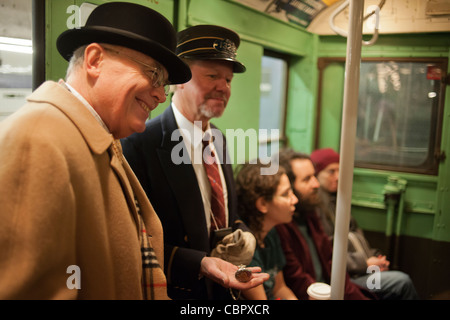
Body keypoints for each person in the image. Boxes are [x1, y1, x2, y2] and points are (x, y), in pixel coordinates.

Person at [0, 2, 192, 299]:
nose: (158, 94)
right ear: (95, 60)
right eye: (154, 74)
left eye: (163, 85)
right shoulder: (38, 139)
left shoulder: (100, 139)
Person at [121, 24, 267, 299]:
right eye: (212, 75)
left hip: (224, 290)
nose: (223, 87)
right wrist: (199, 262)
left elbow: (222, 212)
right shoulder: (140, 143)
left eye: (228, 80)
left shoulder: (219, 139)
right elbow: (133, 239)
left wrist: (241, 232)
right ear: (178, 80)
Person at [310, 147, 420, 299]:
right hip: (347, 278)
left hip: (363, 268)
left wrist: (375, 257)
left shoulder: (338, 201)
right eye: (331, 172)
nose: (337, 177)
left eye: (339, 171)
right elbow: (327, 254)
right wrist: (366, 263)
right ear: (317, 174)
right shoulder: (317, 209)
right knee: (402, 282)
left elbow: (355, 235)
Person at [275, 149, 371, 300]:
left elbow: (332, 264)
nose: (316, 184)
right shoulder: (281, 225)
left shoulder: (311, 214)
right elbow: (298, 281)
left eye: (314, 176)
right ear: (290, 187)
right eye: (307, 179)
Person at [235, 161, 299, 300]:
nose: (295, 199)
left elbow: (280, 288)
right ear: (263, 204)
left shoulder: (271, 233)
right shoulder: (244, 249)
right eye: (285, 194)